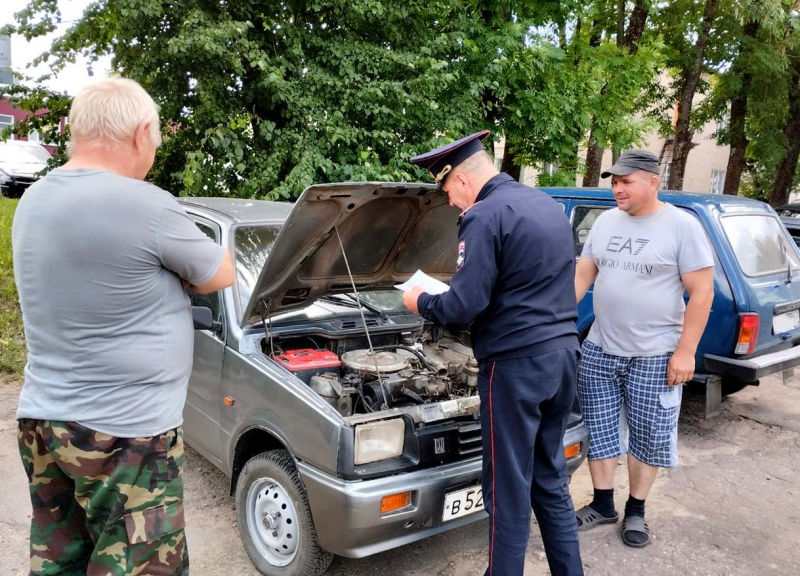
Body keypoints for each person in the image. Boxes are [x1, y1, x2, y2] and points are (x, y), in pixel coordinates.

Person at [12, 77, 235, 575]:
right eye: (154, 141)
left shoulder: (34, 199)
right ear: (139, 134)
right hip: (122, 434)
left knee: (62, 561)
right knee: (142, 567)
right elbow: (218, 273)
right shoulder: (145, 204)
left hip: (46, 421)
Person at [402, 131, 584, 576]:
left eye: (447, 192)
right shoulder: (547, 205)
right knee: (549, 479)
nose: (451, 204)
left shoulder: (483, 216)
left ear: (461, 179)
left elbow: (463, 308)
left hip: (516, 368)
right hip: (563, 358)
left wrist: (421, 300)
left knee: (506, 491)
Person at [573, 150, 714, 547]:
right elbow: (585, 272)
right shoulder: (605, 222)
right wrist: (557, 317)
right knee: (599, 430)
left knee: (648, 435)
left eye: (626, 181)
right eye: (614, 181)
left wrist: (686, 352)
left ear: (652, 182)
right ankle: (603, 504)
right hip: (601, 346)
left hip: (655, 353)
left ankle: (636, 510)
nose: (617, 188)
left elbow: (702, 292)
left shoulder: (681, 227)